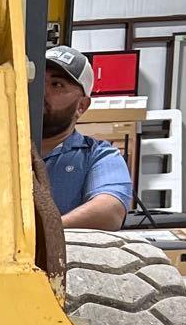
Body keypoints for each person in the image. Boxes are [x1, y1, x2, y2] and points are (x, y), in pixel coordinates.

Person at [39, 45, 132, 230]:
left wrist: (45, 234)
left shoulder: (98, 156)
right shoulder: (2, 147)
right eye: (37, 81)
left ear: (82, 105)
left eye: (56, 85)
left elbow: (110, 211)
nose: (42, 91)